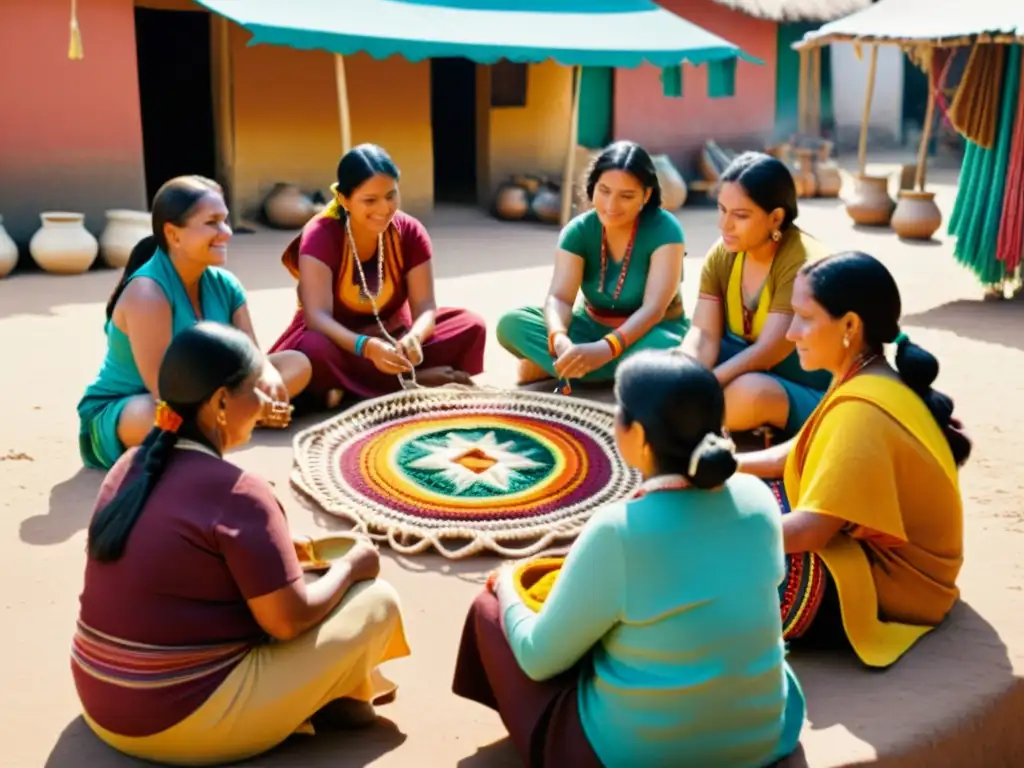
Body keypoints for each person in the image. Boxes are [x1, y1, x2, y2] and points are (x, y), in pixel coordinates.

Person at [72, 322, 410, 766]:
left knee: (294, 585)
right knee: (375, 600)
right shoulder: (240, 493)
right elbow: (288, 622)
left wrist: (298, 552)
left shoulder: (132, 465)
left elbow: (184, 550)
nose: (268, 401)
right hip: (179, 725)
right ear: (221, 402)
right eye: (257, 387)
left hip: (101, 702)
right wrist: (353, 567)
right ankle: (339, 695)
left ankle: (333, 693)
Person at [453, 350, 805, 768]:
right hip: (761, 739)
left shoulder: (617, 531)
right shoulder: (757, 499)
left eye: (619, 409)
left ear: (637, 436)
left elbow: (538, 657)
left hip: (641, 755)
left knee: (490, 612)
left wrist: (507, 582)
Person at [737, 251, 970, 668]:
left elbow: (810, 532)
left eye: (805, 318)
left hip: (896, 588)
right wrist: (719, 466)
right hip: (869, 554)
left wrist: (702, 532)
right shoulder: (863, 373)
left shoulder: (862, 409)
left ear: (849, 325)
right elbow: (796, 452)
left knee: (718, 573)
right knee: (738, 494)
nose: (790, 332)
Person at [77, 175, 311, 471]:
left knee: (297, 364)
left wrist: (269, 378)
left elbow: (253, 357)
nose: (225, 232)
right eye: (212, 222)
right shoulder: (147, 293)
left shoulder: (226, 285)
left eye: (225, 221)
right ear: (174, 235)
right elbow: (165, 392)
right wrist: (253, 402)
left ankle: (223, 422)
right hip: (134, 406)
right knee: (158, 415)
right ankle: (230, 422)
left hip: (212, 393)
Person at [269, 144, 487, 409]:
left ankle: (349, 389)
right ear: (344, 199)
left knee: (470, 325)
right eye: (370, 200)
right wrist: (367, 347)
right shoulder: (321, 234)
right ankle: (410, 382)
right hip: (339, 341)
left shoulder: (409, 232)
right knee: (315, 350)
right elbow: (317, 318)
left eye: (390, 195)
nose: (384, 209)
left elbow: (426, 307)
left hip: (394, 333)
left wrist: (414, 338)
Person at [496, 141, 687, 390]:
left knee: (664, 350)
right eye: (604, 190)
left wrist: (605, 349)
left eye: (626, 196)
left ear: (646, 195)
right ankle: (588, 367)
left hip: (651, 333)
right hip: (589, 331)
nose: (611, 205)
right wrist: (560, 338)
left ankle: (573, 369)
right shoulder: (579, 231)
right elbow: (560, 298)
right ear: (592, 185)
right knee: (511, 323)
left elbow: (654, 309)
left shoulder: (666, 229)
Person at [680, 151, 831, 437]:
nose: (724, 225)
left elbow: (768, 352)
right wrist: (688, 373)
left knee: (748, 396)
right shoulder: (724, 253)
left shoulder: (801, 264)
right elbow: (704, 334)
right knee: (672, 364)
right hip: (744, 366)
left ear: (775, 218)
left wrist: (708, 383)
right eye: (722, 210)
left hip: (805, 383)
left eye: (740, 215)